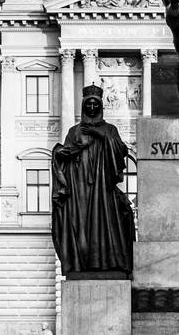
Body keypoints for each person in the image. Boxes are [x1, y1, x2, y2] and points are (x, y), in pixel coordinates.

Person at [51, 85, 136, 274]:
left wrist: (101, 135)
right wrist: (60, 153)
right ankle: (83, 264)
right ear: (83, 106)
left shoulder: (110, 129)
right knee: (82, 227)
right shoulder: (74, 131)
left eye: (94, 104)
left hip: (102, 185)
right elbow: (65, 153)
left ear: (100, 106)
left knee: (107, 223)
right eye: (88, 104)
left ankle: (108, 262)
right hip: (79, 186)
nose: (91, 107)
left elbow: (121, 150)